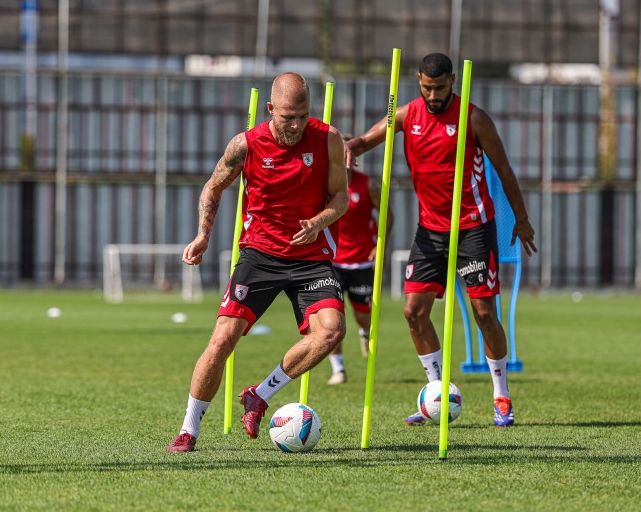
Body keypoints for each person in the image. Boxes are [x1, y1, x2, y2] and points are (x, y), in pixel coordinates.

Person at [345, 53, 537, 427]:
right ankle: (437, 394)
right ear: (418, 80)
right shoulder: (405, 114)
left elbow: (505, 170)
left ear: (453, 80)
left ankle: (502, 395)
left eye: (440, 88)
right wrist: (349, 148)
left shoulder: (474, 118)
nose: (433, 95)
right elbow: (367, 140)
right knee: (413, 313)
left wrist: (522, 220)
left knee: (484, 314)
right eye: (426, 87)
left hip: (473, 228)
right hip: (431, 231)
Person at [166, 72, 349, 452]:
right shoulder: (245, 145)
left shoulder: (328, 138)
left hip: (310, 254)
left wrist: (319, 221)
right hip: (260, 254)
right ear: (270, 110)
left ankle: (260, 395)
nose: (296, 125)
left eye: (302, 115)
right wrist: (203, 234)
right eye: (287, 117)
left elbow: (341, 198)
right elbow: (213, 186)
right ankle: (188, 429)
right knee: (221, 340)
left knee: (331, 332)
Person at [326, 135, 395, 385]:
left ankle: (364, 333)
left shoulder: (368, 186)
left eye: (347, 154)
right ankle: (339, 369)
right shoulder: (325, 184)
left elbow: (388, 215)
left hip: (363, 261)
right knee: (331, 319)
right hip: (332, 262)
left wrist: (380, 246)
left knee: (363, 314)